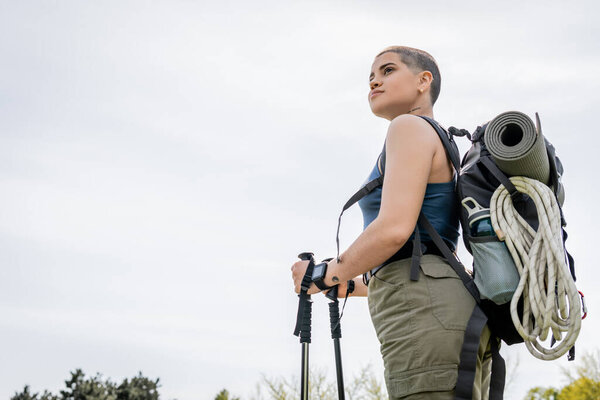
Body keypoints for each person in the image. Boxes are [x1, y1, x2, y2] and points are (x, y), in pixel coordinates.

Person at [291, 46, 494, 399]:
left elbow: (394, 231)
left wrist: (326, 273)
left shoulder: (408, 127)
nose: (374, 81)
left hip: (425, 312)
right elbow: (421, 252)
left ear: (423, 81)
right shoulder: (439, 138)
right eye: (371, 76)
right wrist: (351, 284)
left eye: (387, 71)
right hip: (449, 308)